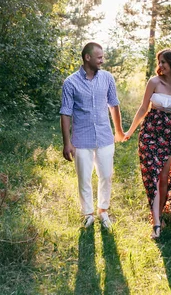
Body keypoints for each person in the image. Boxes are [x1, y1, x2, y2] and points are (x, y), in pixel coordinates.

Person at [124, 49, 171, 239]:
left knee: (164, 177)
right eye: (159, 62)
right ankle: (156, 224)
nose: (160, 66)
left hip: (169, 134)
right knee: (151, 175)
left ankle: (159, 215)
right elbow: (143, 108)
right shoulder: (154, 82)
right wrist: (130, 131)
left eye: (164, 62)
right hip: (150, 131)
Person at [60, 42, 125, 230]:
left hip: (105, 137)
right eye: (99, 57)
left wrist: (118, 131)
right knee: (84, 178)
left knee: (106, 175)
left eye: (102, 57)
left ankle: (103, 210)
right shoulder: (70, 82)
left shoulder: (107, 78)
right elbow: (65, 113)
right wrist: (67, 143)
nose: (102, 60)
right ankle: (87, 213)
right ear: (87, 58)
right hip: (81, 139)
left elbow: (114, 105)